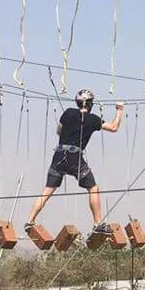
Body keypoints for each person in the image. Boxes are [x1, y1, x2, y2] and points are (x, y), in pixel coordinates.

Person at [25, 89, 123, 235]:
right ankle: (98, 224)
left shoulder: (68, 113)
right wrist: (119, 110)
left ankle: (29, 221)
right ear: (90, 104)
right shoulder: (93, 119)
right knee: (93, 188)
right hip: (74, 157)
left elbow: (59, 131)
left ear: (77, 102)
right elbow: (114, 127)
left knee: (47, 191)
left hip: (58, 155)